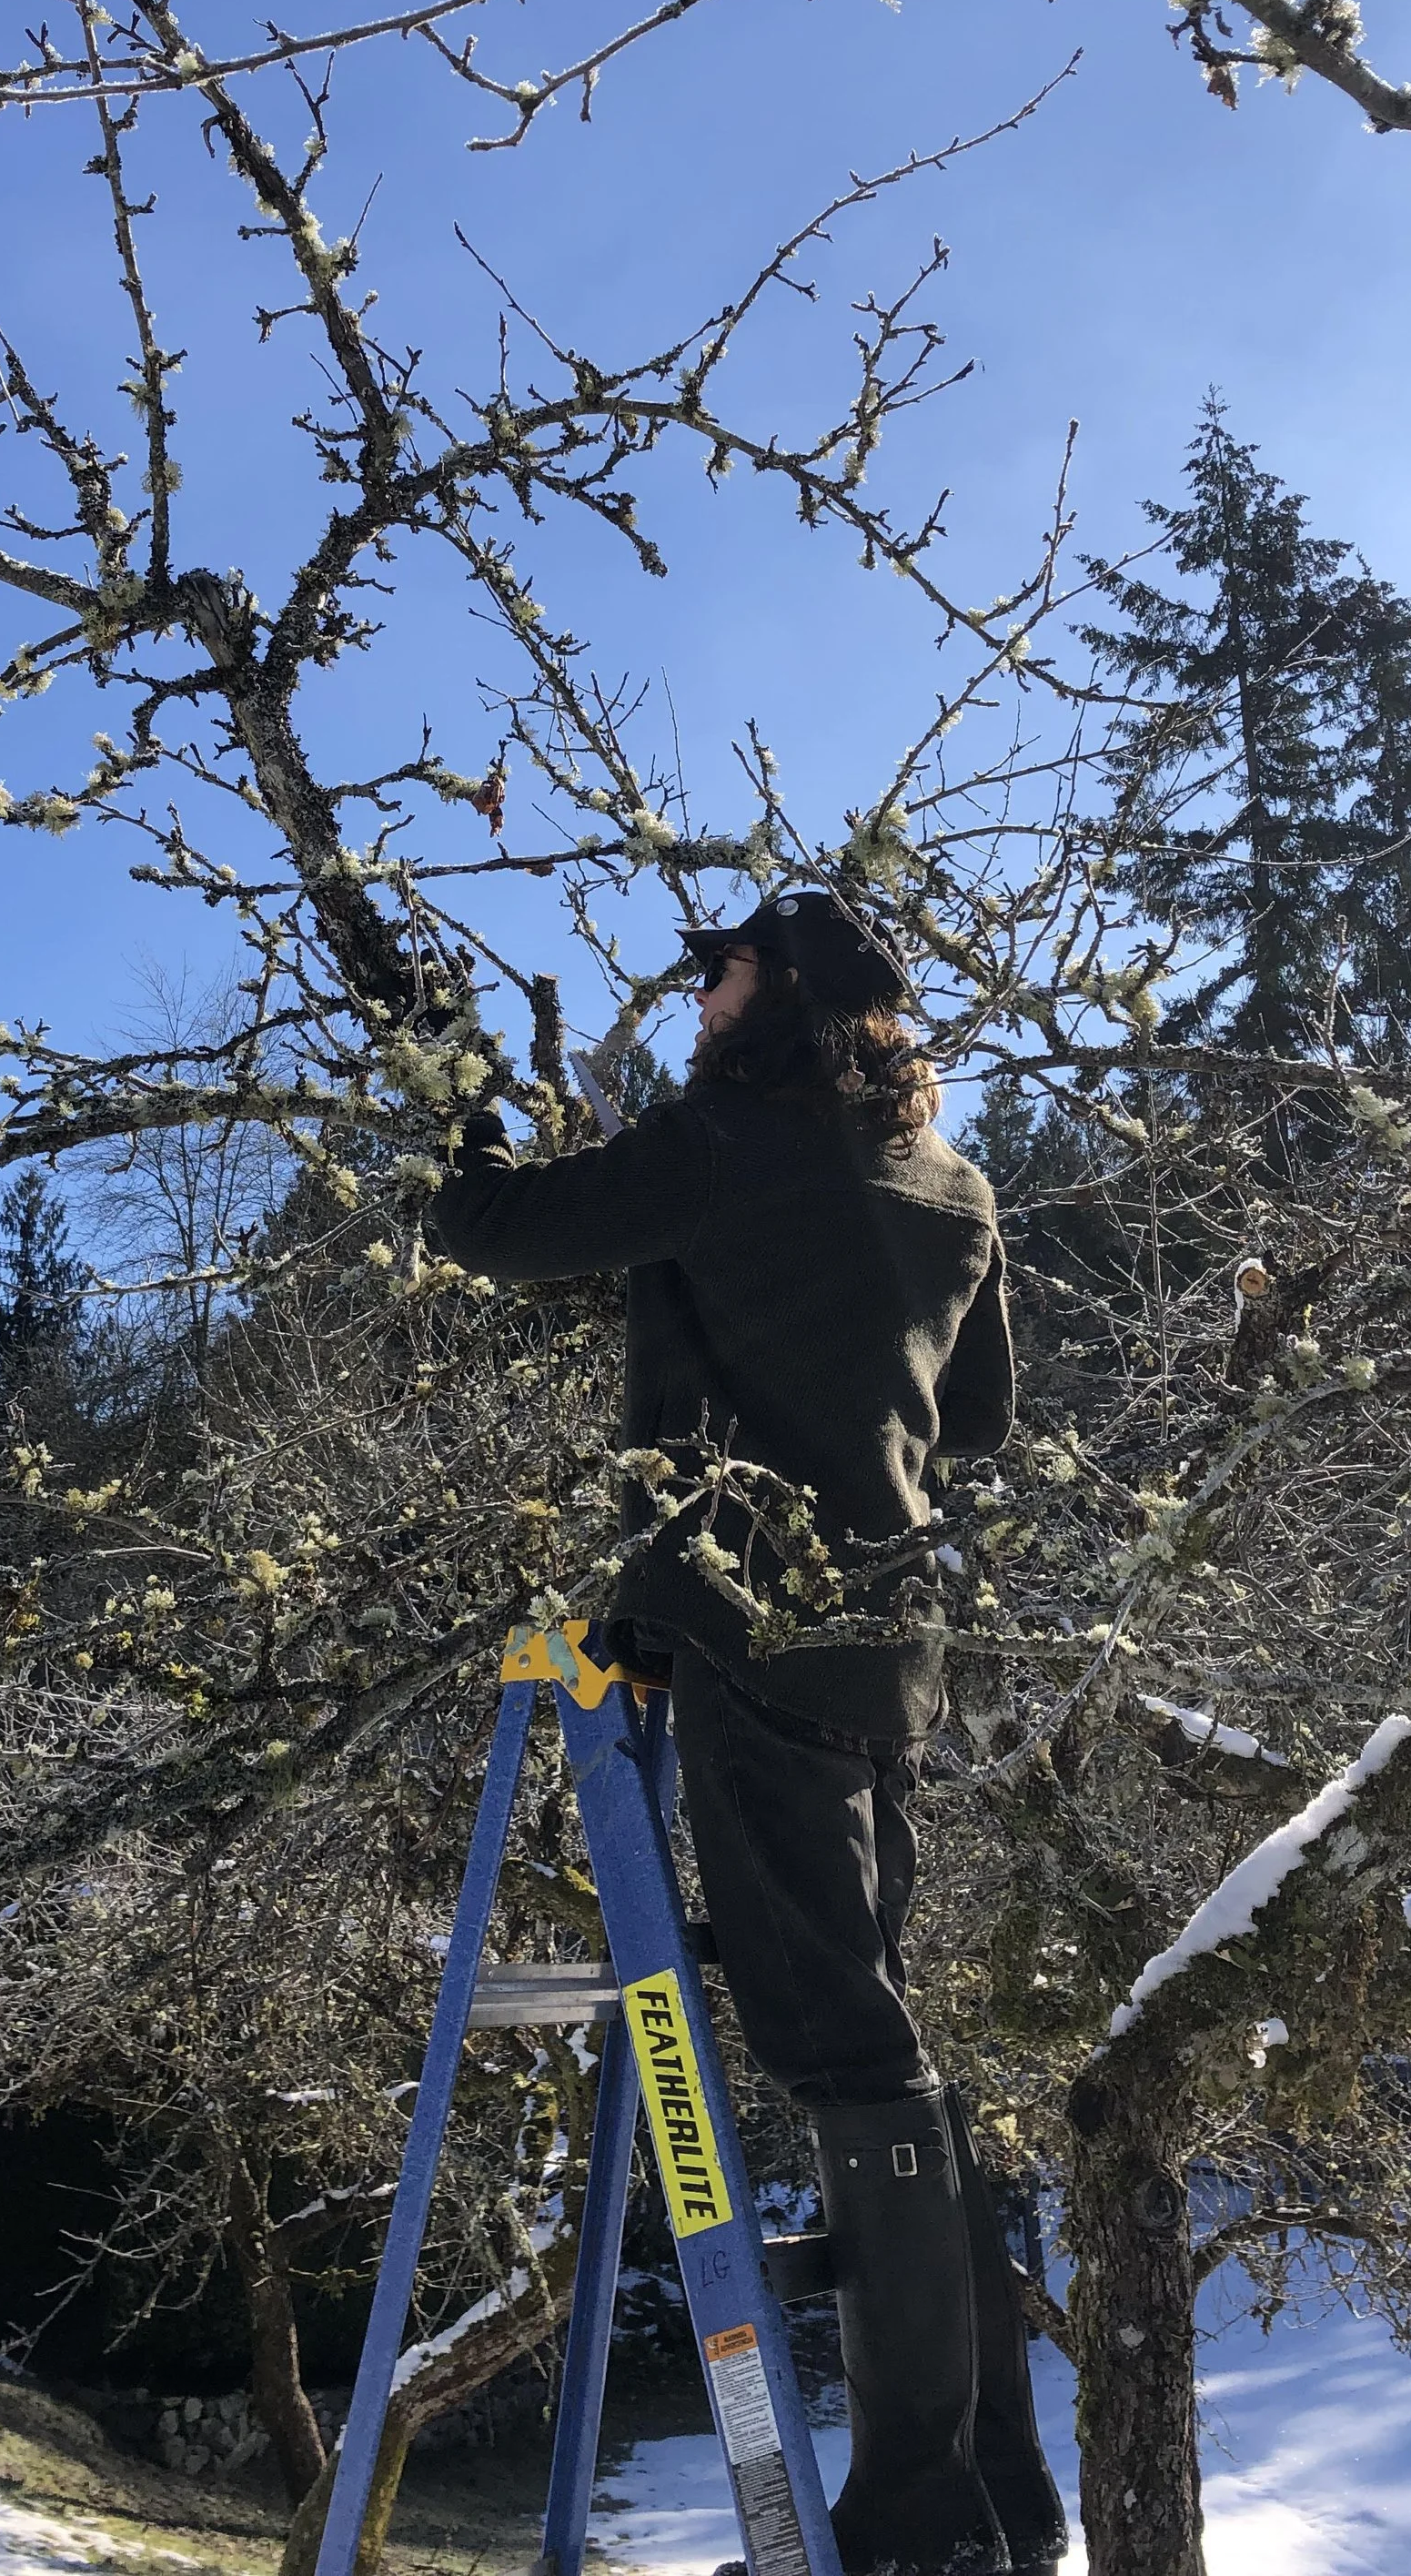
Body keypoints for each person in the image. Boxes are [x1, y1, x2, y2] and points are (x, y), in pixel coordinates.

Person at [425, 889, 1066, 2576]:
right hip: (889, 1647)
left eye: (718, 973)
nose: (694, 996)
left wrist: (450, 1115)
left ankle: (922, 2519)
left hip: (751, 1627)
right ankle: (999, 2486)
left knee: (842, 2046)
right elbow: (980, 1415)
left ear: (783, 991)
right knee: (888, 2028)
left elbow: (493, 1230)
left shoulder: (724, 1139)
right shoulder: (953, 1187)